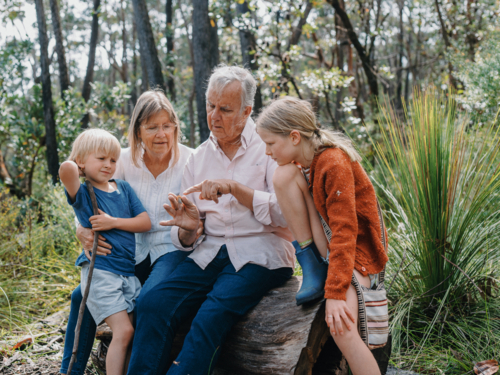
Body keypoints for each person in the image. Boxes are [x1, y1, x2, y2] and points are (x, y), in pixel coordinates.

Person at [126, 65, 295, 375]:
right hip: (209, 252)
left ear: (247, 111)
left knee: (210, 315)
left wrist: (235, 190)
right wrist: (189, 229)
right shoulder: (199, 157)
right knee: (153, 305)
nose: (214, 116)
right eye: (210, 105)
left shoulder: (269, 148)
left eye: (225, 109)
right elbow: (187, 235)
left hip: (261, 253)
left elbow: (287, 216)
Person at [60, 91, 196, 375]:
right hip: (128, 253)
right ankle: (69, 371)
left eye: (167, 126)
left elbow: (199, 220)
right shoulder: (118, 159)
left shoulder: (191, 161)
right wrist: (82, 231)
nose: (161, 134)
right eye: (151, 127)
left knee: (148, 301)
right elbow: (90, 196)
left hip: (171, 250)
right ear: (136, 131)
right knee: (79, 295)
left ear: (175, 127)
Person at [255, 96, 389, 375]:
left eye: (270, 143)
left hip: (358, 255)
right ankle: (312, 264)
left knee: (341, 326)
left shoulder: (333, 162)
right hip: (330, 248)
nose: (267, 152)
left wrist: (337, 292)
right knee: (282, 176)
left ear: (294, 137)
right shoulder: (305, 164)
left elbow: (346, 231)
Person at [59, 128, 152, 375]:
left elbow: (144, 222)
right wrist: (76, 165)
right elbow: (65, 170)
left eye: (112, 160)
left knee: (130, 333)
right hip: (101, 272)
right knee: (124, 331)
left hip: (126, 272)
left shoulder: (122, 187)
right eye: (101, 159)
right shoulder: (84, 193)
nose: (108, 165)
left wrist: (113, 222)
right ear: (82, 162)